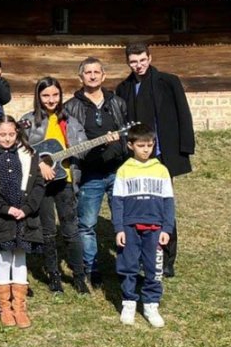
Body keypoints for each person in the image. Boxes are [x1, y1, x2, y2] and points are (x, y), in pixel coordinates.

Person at [114, 43, 193, 277]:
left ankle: (167, 258)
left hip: (162, 154)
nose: (138, 65)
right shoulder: (124, 88)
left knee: (162, 205)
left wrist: (185, 148)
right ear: (128, 62)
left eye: (142, 60)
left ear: (150, 58)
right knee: (138, 206)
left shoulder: (168, 82)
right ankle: (140, 254)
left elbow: (182, 113)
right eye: (133, 62)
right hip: (136, 157)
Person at [0, 117, 45, 329]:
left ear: (17, 133)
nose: (7, 138)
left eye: (11, 134)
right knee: (3, 257)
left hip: (23, 213)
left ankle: (19, 306)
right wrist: (5, 208)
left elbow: (38, 184)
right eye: (2, 134)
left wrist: (27, 208)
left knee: (20, 257)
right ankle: (4, 305)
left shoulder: (28, 154)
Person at [63, 57, 130, 287]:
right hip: (90, 174)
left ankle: (126, 267)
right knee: (87, 224)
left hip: (117, 171)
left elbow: (126, 134)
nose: (92, 76)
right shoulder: (71, 107)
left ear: (104, 76)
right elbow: (70, 140)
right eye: (87, 72)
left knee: (123, 220)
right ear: (80, 77)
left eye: (96, 72)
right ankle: (92, 268)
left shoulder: (117, 103)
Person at [19, 77, 88, 295]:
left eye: (55, 95)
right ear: (38, 97)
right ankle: (54, 276)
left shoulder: (70, 121)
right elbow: (20, 148)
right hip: (41, 185)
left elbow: (83, 149)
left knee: (71, 230)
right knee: (47, 231)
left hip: (65, 181)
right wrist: (39, 163)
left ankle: (79, 276)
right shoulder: (28, 121)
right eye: (46, 95)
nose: (51, 99)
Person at [111, 124, 175, 328]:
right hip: (130, 227)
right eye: (141, 145)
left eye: (149, 145)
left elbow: (168, 202)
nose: (146, 149)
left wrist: (167, 229)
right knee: (128, 265)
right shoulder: (124, 170)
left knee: (153, 268)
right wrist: (119, 228)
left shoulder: (161, 170)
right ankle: (129, 302)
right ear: (130, 145)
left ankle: (151, 304)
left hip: (155, 228)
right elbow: (117, 201)